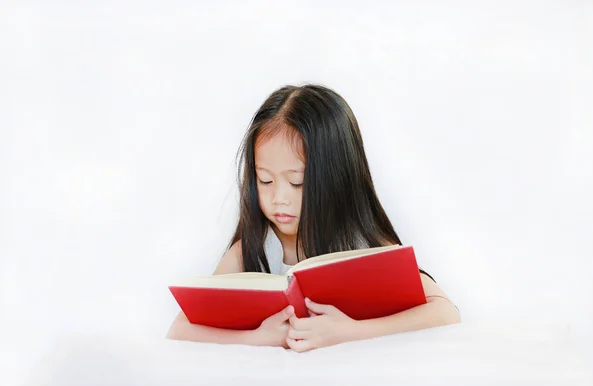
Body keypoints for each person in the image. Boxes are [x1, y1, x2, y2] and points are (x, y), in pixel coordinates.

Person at [166, 83, 461, 352]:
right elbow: (180, 328)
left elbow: (445, 311)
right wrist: (257, 338)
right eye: (265, 180)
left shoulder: (360, 242)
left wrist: (350, 331)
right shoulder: (252, 248)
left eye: (297, 182)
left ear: (336, 178)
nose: (279, 198)